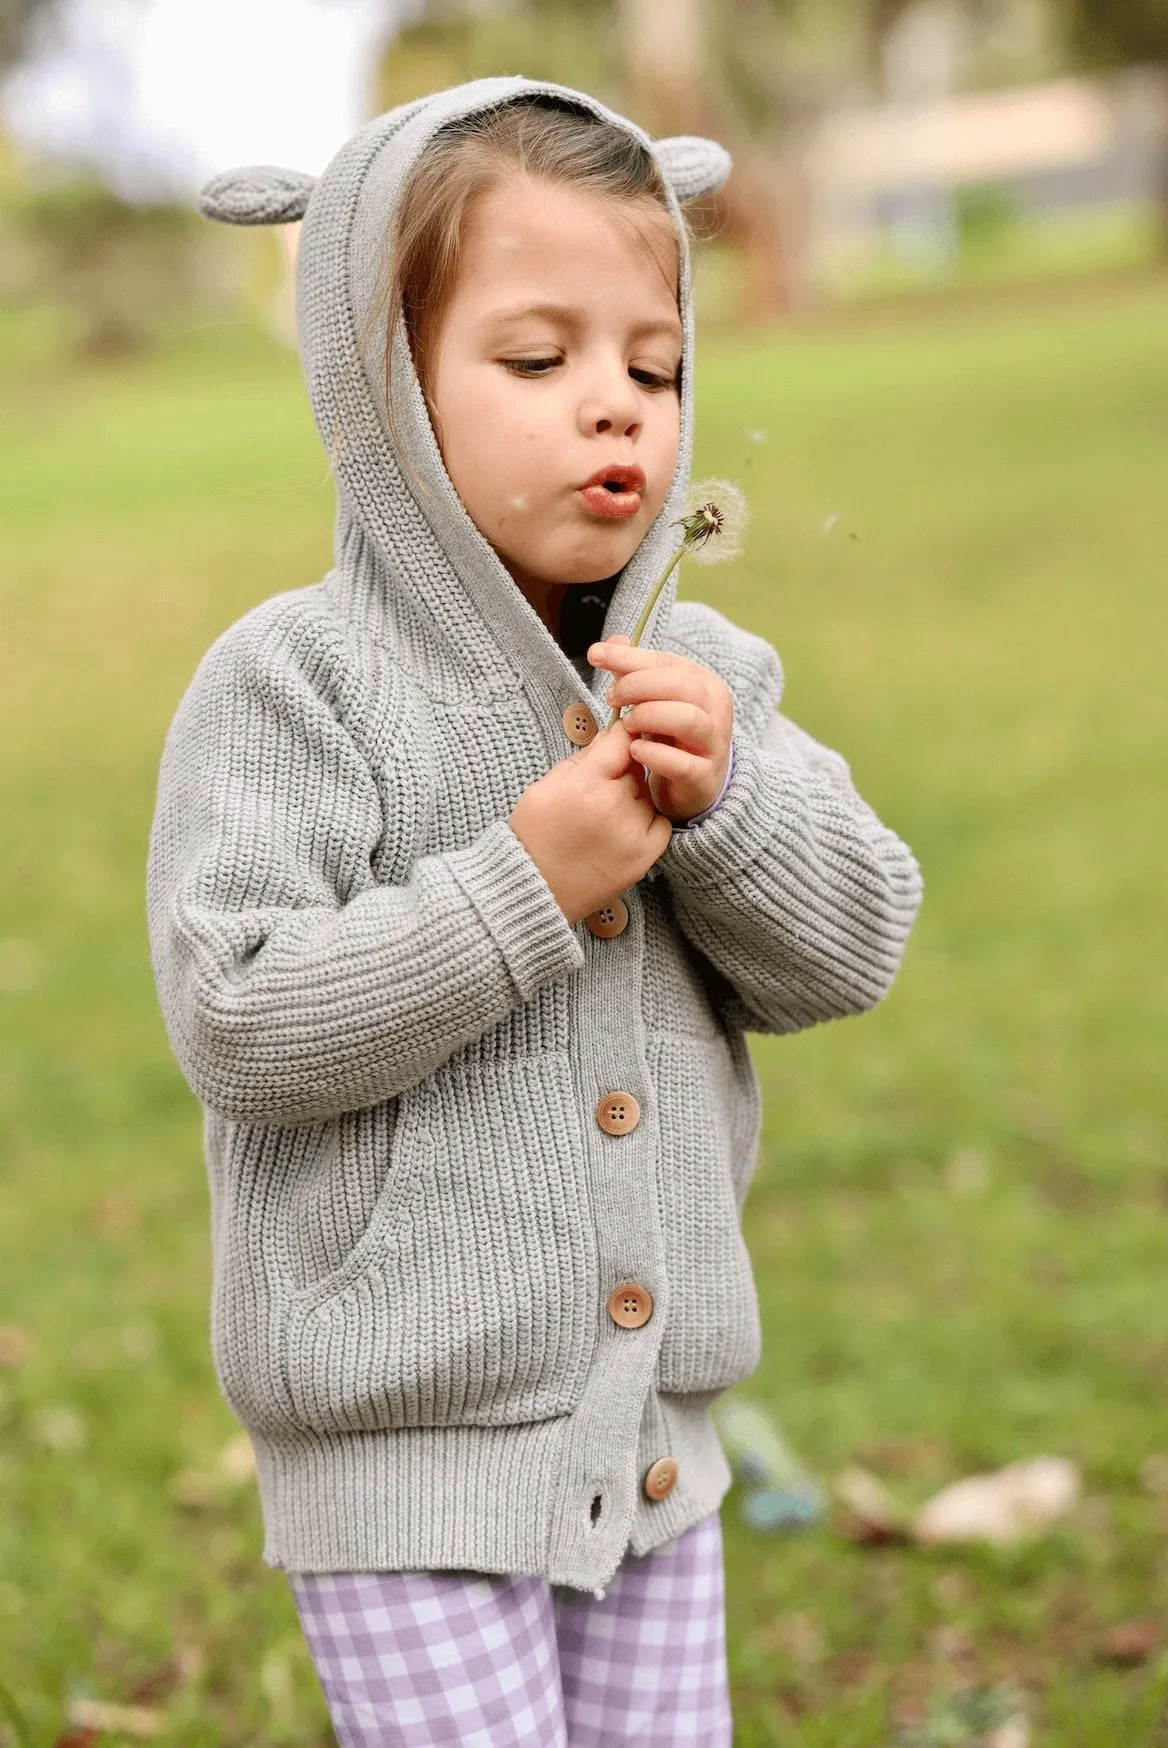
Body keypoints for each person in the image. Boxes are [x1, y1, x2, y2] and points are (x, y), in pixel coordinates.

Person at [146, 76, 923, 1747]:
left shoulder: (699, 679)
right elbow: (241, 1015)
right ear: (384, 385)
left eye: (653, 367)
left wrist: (731, 808)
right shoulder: (299, 689)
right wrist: (526, 887)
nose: (614, 412)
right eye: (536, 360)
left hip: (654, 1456)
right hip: (407, 1473)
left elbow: (857, 941)